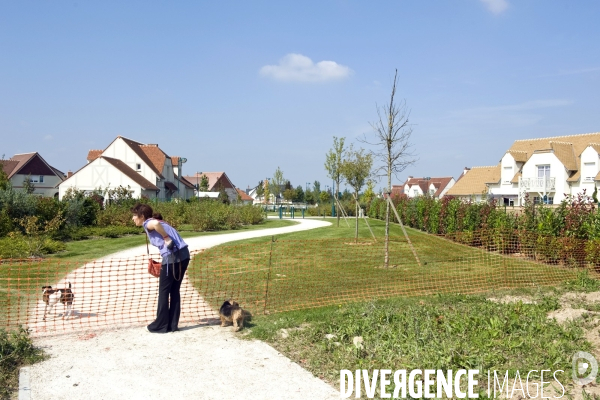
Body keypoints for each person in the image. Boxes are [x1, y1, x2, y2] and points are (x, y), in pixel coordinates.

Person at [131, 203, 190, 333]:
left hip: (172, 259)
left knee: (164, 292)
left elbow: (156, 226)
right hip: (184, 255)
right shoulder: (159, 221)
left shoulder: (149, 222)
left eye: (134, 215)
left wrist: (166, 238)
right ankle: (172, 325)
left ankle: (161, 325)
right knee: (174, 291)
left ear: (142, 216)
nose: (133, 218)